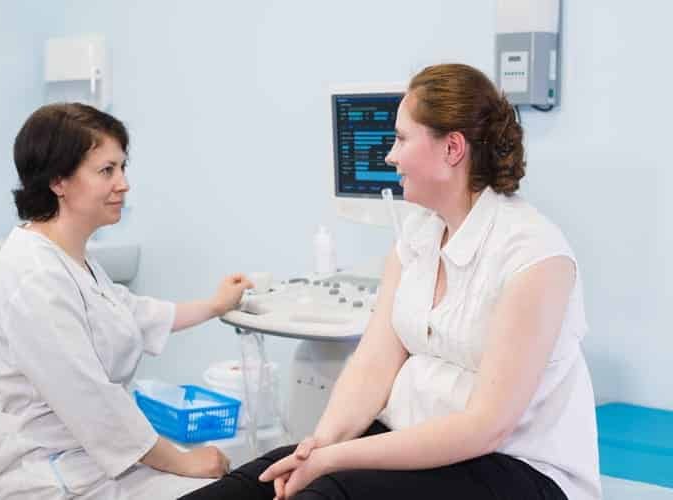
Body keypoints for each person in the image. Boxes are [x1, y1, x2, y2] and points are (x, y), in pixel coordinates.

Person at [180, 63, 601, 500]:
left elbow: (485, 427)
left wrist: (334, 460)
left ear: (452, 148)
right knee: (249, 487)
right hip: (414, 439)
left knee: (325, 494)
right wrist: (317, 447)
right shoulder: (416, 236)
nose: (390, 156)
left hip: (516, 466)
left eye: (401, 139)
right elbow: (373, 365)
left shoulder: (534, 256)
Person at [0, 103, 252, 499]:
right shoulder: (34, 279)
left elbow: (130, 313)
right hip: (43, 471)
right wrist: (184, 461)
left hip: (90, 456)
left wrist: (214, 305)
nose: (123, 183)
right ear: (58, 181)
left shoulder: (70, 258)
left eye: (123, 168)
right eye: (107, 170)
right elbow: (92, 402)